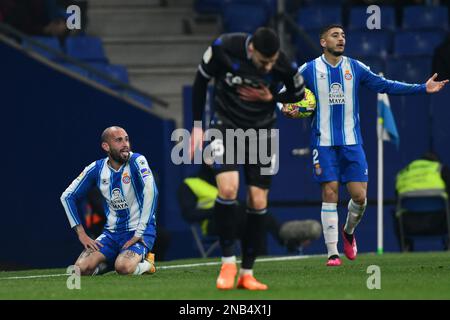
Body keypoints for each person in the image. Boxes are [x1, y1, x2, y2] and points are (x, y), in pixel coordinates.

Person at [280, 24, 448, 266]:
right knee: (330, 192)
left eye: (343, 35)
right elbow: (282, 96)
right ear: (323, 42)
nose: (341, 39)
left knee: (359, 197)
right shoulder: (308, 70)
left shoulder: (354, 67)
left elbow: (386, 85)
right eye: (335, 35)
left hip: (352, 143)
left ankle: (348, 232)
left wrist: (423, 88)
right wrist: (287, 108)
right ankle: (332, 253)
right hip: (323, 143)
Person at [189, 27, 306, 290]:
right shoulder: (224, 48)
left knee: (258, 199)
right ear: (251, 49)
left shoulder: (283, 63)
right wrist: (197, 126)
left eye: (273, 62)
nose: (269, 67)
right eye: (264, 62)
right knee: (228, 188)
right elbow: (200, 81)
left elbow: (299, 94)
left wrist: (273, 96)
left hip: (262, 130)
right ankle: (228, 262)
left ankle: (247, 272)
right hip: (225, 124)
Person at [60, 126, 158, 276]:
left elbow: (151, 190)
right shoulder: (96, 169)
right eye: (119, 140)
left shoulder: (137, 160)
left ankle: (147, 264)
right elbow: (67, 196)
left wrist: (139, 232)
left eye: (126, 139)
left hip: (140, 231)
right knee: (79, 269)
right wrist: (81, 233)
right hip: (111, 233)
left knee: (123, 268)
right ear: (106, 146)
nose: (125, 144)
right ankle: (105, 265)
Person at [178, 165, 322, 254]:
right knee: (249, 212)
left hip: (236, 219)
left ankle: (265, 255)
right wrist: (220, 210)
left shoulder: (223, 180)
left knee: (253, 212)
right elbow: (188, 214)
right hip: (213, 225)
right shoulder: (190, 184)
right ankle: (285, 238)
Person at [394, 152, 450, 251]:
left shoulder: (403, 173)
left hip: (409, 224)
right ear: (435, 162)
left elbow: (397, 198)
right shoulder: (440, 168)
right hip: (440, 221)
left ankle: (406, 249)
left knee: (396, 212)